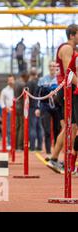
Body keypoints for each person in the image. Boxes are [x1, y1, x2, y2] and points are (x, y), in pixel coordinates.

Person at [46, 24, 78, 174]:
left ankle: (55, 158)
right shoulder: (67, 48)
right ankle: (66, 161)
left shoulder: (70, 49)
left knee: (69, 127)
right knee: (72, 127)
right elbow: (69, 73)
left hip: (66, 90)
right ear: (72, 35)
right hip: (67, 91)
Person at [37, 61, 61, 155]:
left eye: (54, 66)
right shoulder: (42, 80)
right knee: (47, 130)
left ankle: (55, 152)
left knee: (57, 129)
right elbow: (38, 95)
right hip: (45, 106)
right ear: (48, 67)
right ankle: (48, 152)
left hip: (57, 107)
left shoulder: (59, 79)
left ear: (56, 67)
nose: (52, 68)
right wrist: (37, 108)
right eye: (50, 66)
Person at [27, 68, 43, 151]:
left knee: (32, 127)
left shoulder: (30, 83)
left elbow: (28, 96)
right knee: (39, 127)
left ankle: (32, 147)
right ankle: (40, 146)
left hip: (32, 107)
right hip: (40, 106)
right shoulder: (41, 82)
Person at [0, 75, 15, 149]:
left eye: (12, 80)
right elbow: (1, 101)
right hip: (9, 111)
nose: (10, 81)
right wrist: (5, 108)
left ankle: (18, 144)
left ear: (14, 80)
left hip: (18, 111)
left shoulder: (18, 88)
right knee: (9, 128)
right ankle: (9, 143)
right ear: (7, 81)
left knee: (18, 128)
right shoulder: (4, 90)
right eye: (9, 80)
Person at [15, 72, 29, 150]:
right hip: (21, 107)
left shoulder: (16, 82)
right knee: (22, 126)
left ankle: (15, 145)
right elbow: (25, 97)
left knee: (17, 126)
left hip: (16, 106)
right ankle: (20, 146)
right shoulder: (23, 84)